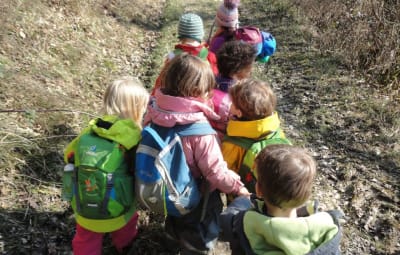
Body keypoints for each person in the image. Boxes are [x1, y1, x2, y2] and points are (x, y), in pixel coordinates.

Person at [144, 53, 250, 254]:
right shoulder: (200, 130)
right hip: (197, 195)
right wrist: (237, 188)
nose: (210, 95)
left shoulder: (154, 110)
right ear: (195, 91)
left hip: (164, 185)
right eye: (208, 91)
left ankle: (170, 240)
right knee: (201, 227)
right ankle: (195, 249)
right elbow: (215, 172)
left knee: (174, 215)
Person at [63, 77, 149, 255]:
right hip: (119, 209)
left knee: (86, 237)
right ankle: (125, 245)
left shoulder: (90, 131)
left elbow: (68, 156)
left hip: (84, 205)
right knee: (128, 222)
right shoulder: (134, 136)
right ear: (138, 108)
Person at [220, 144, 343, 255]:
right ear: (306, 196)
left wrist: (242, 201)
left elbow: (222, 226)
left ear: (259, 190)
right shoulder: (326, 231)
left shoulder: (244, 222)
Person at [221, 78, 290, 193]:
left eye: (232, 103)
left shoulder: (233, 143)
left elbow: (225, 171)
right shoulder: (275, 129)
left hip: (243, 195)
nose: (229, 104)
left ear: (239, 112)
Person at [151, 12, 218, 95]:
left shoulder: (173, 55)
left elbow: (161, 81)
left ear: (180, 35)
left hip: (176, 99)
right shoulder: (209, 56)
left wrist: (154, 97)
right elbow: (214, 81)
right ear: (201, 34)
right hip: (200, 99)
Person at [210, 40, 257, 140]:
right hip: (229, 138)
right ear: (239, 71)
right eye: (249, 69)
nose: (252, 71)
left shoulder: (209, 83)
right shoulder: (240, 95)